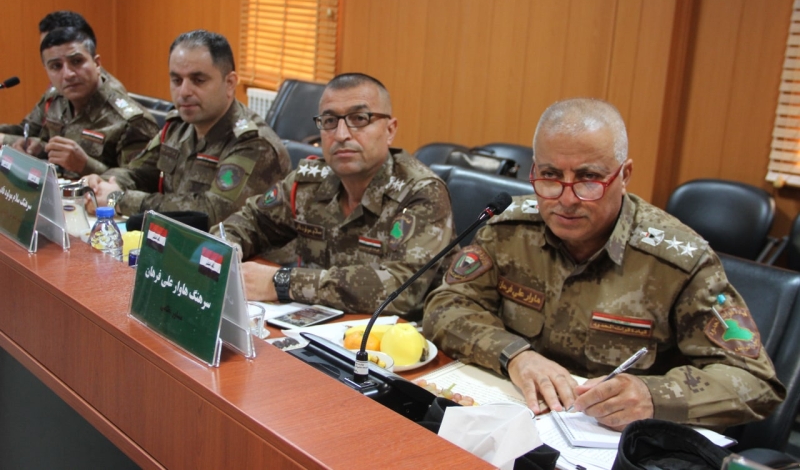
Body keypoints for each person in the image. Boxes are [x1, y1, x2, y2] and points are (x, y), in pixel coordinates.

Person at [424, 98, 783, 430]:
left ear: (624, 175)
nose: (566, 199)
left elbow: (755, 382)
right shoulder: (509, 230)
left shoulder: (679, 264)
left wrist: (653, 396)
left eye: (588, 179)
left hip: (612, 442)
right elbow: (446, 306)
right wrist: (515, 356)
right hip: (513, 419)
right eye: (550, 175)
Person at [215, 73, 455, 319]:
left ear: (390, 130)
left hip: (391, 335)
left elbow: (401, 288)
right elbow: (251, 221)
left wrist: (282, 282)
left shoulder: (421, 194)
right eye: (330, 121)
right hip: (316, 325)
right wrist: (226, 249)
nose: (341, 135)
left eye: (359, 119)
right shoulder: (310, 182)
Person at [84, 30, 290, 228]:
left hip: (234, 251)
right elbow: (138, 172)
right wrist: (101, 184)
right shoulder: (179, 125)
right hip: (175, 242)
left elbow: (212, 213)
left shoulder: (253, 143)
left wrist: (119, 199)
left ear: (229, 83)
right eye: (177, 80)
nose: (184, 92)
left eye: (198, 80)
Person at [0, 13, 157, 178]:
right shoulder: (56, 99)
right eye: (56, 66)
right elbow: (32, 132)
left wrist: (86, 165)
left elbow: (140, 182)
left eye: (76, 61)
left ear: (97, 63)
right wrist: (40, 148)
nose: (68, 74)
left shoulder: (132, 121)